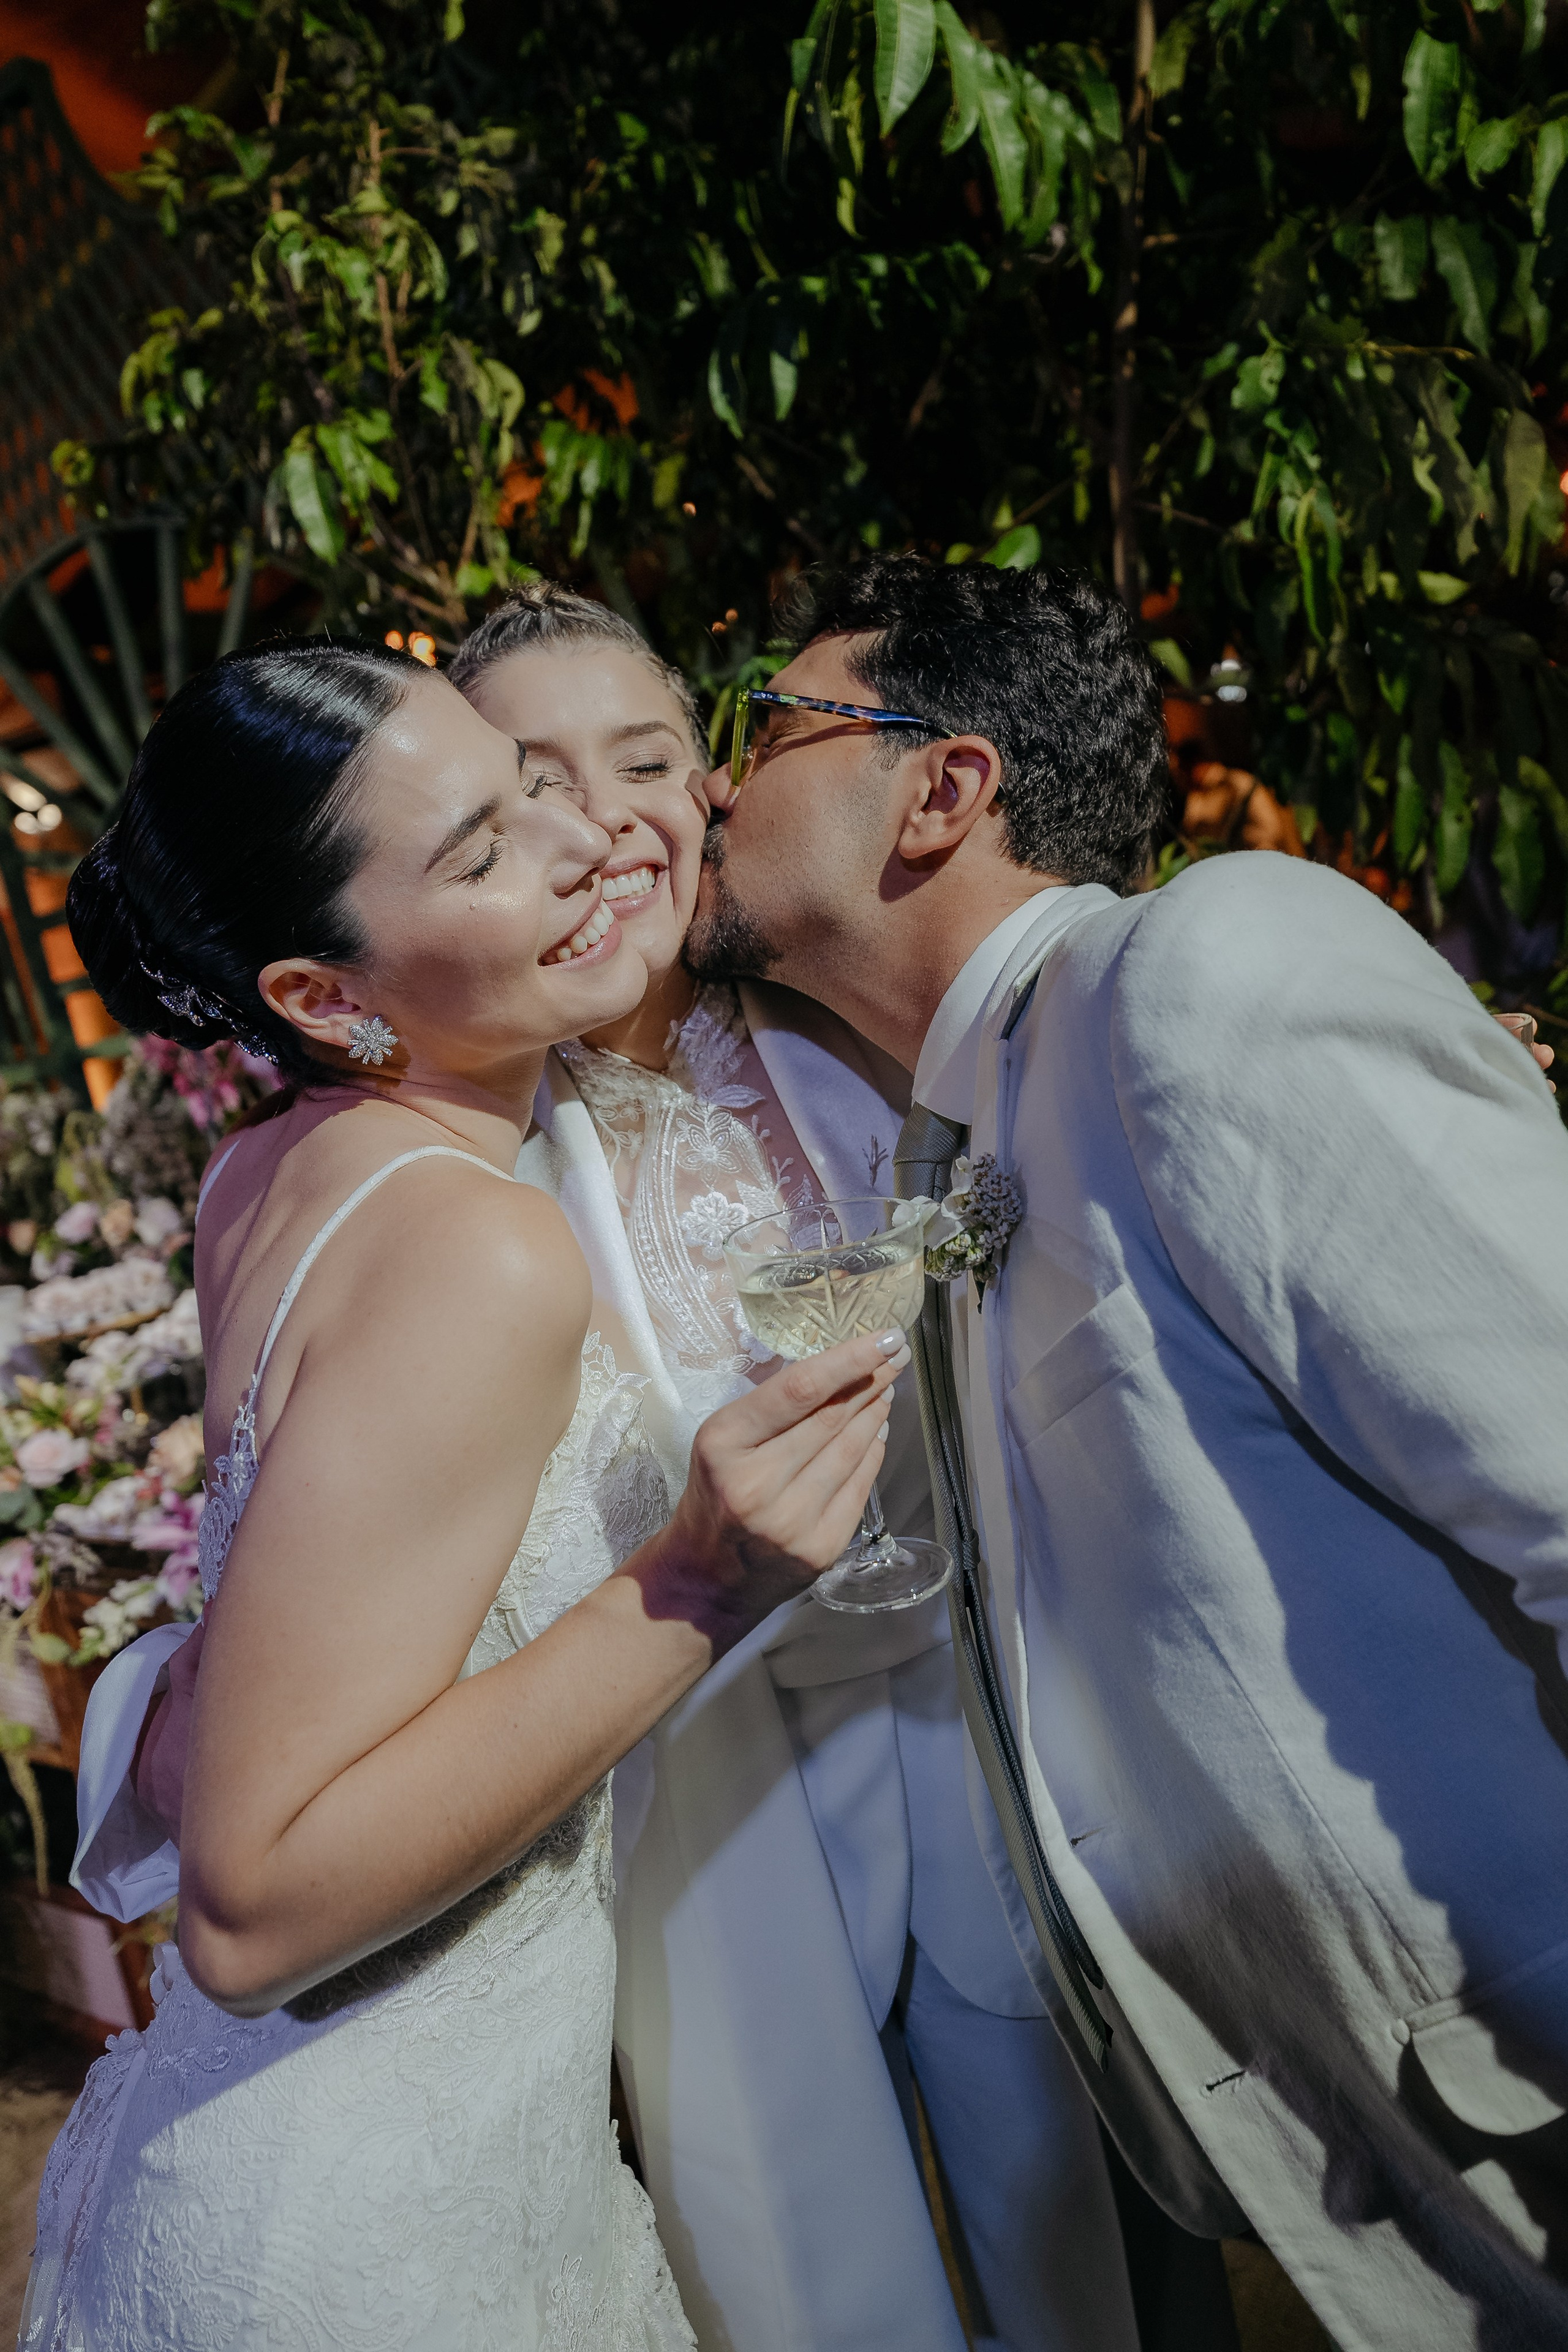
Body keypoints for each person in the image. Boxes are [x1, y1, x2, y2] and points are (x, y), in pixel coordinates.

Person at [77, 592, 1145, 2352]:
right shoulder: (481, 1235)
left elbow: (276, 1598)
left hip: (379, 2116)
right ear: (320, 992)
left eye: (603, 777)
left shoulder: (271, 1168)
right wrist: (696, 1578)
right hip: (430, 2118)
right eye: (500, 827)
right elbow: (254, 1904)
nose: (591, 842)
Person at [685, 553, 1568, 2352]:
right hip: (1353, 2142)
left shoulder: (1207, 967)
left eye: (767, 729)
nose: (713, 782)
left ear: (941, 788)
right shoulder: (959, 1134)